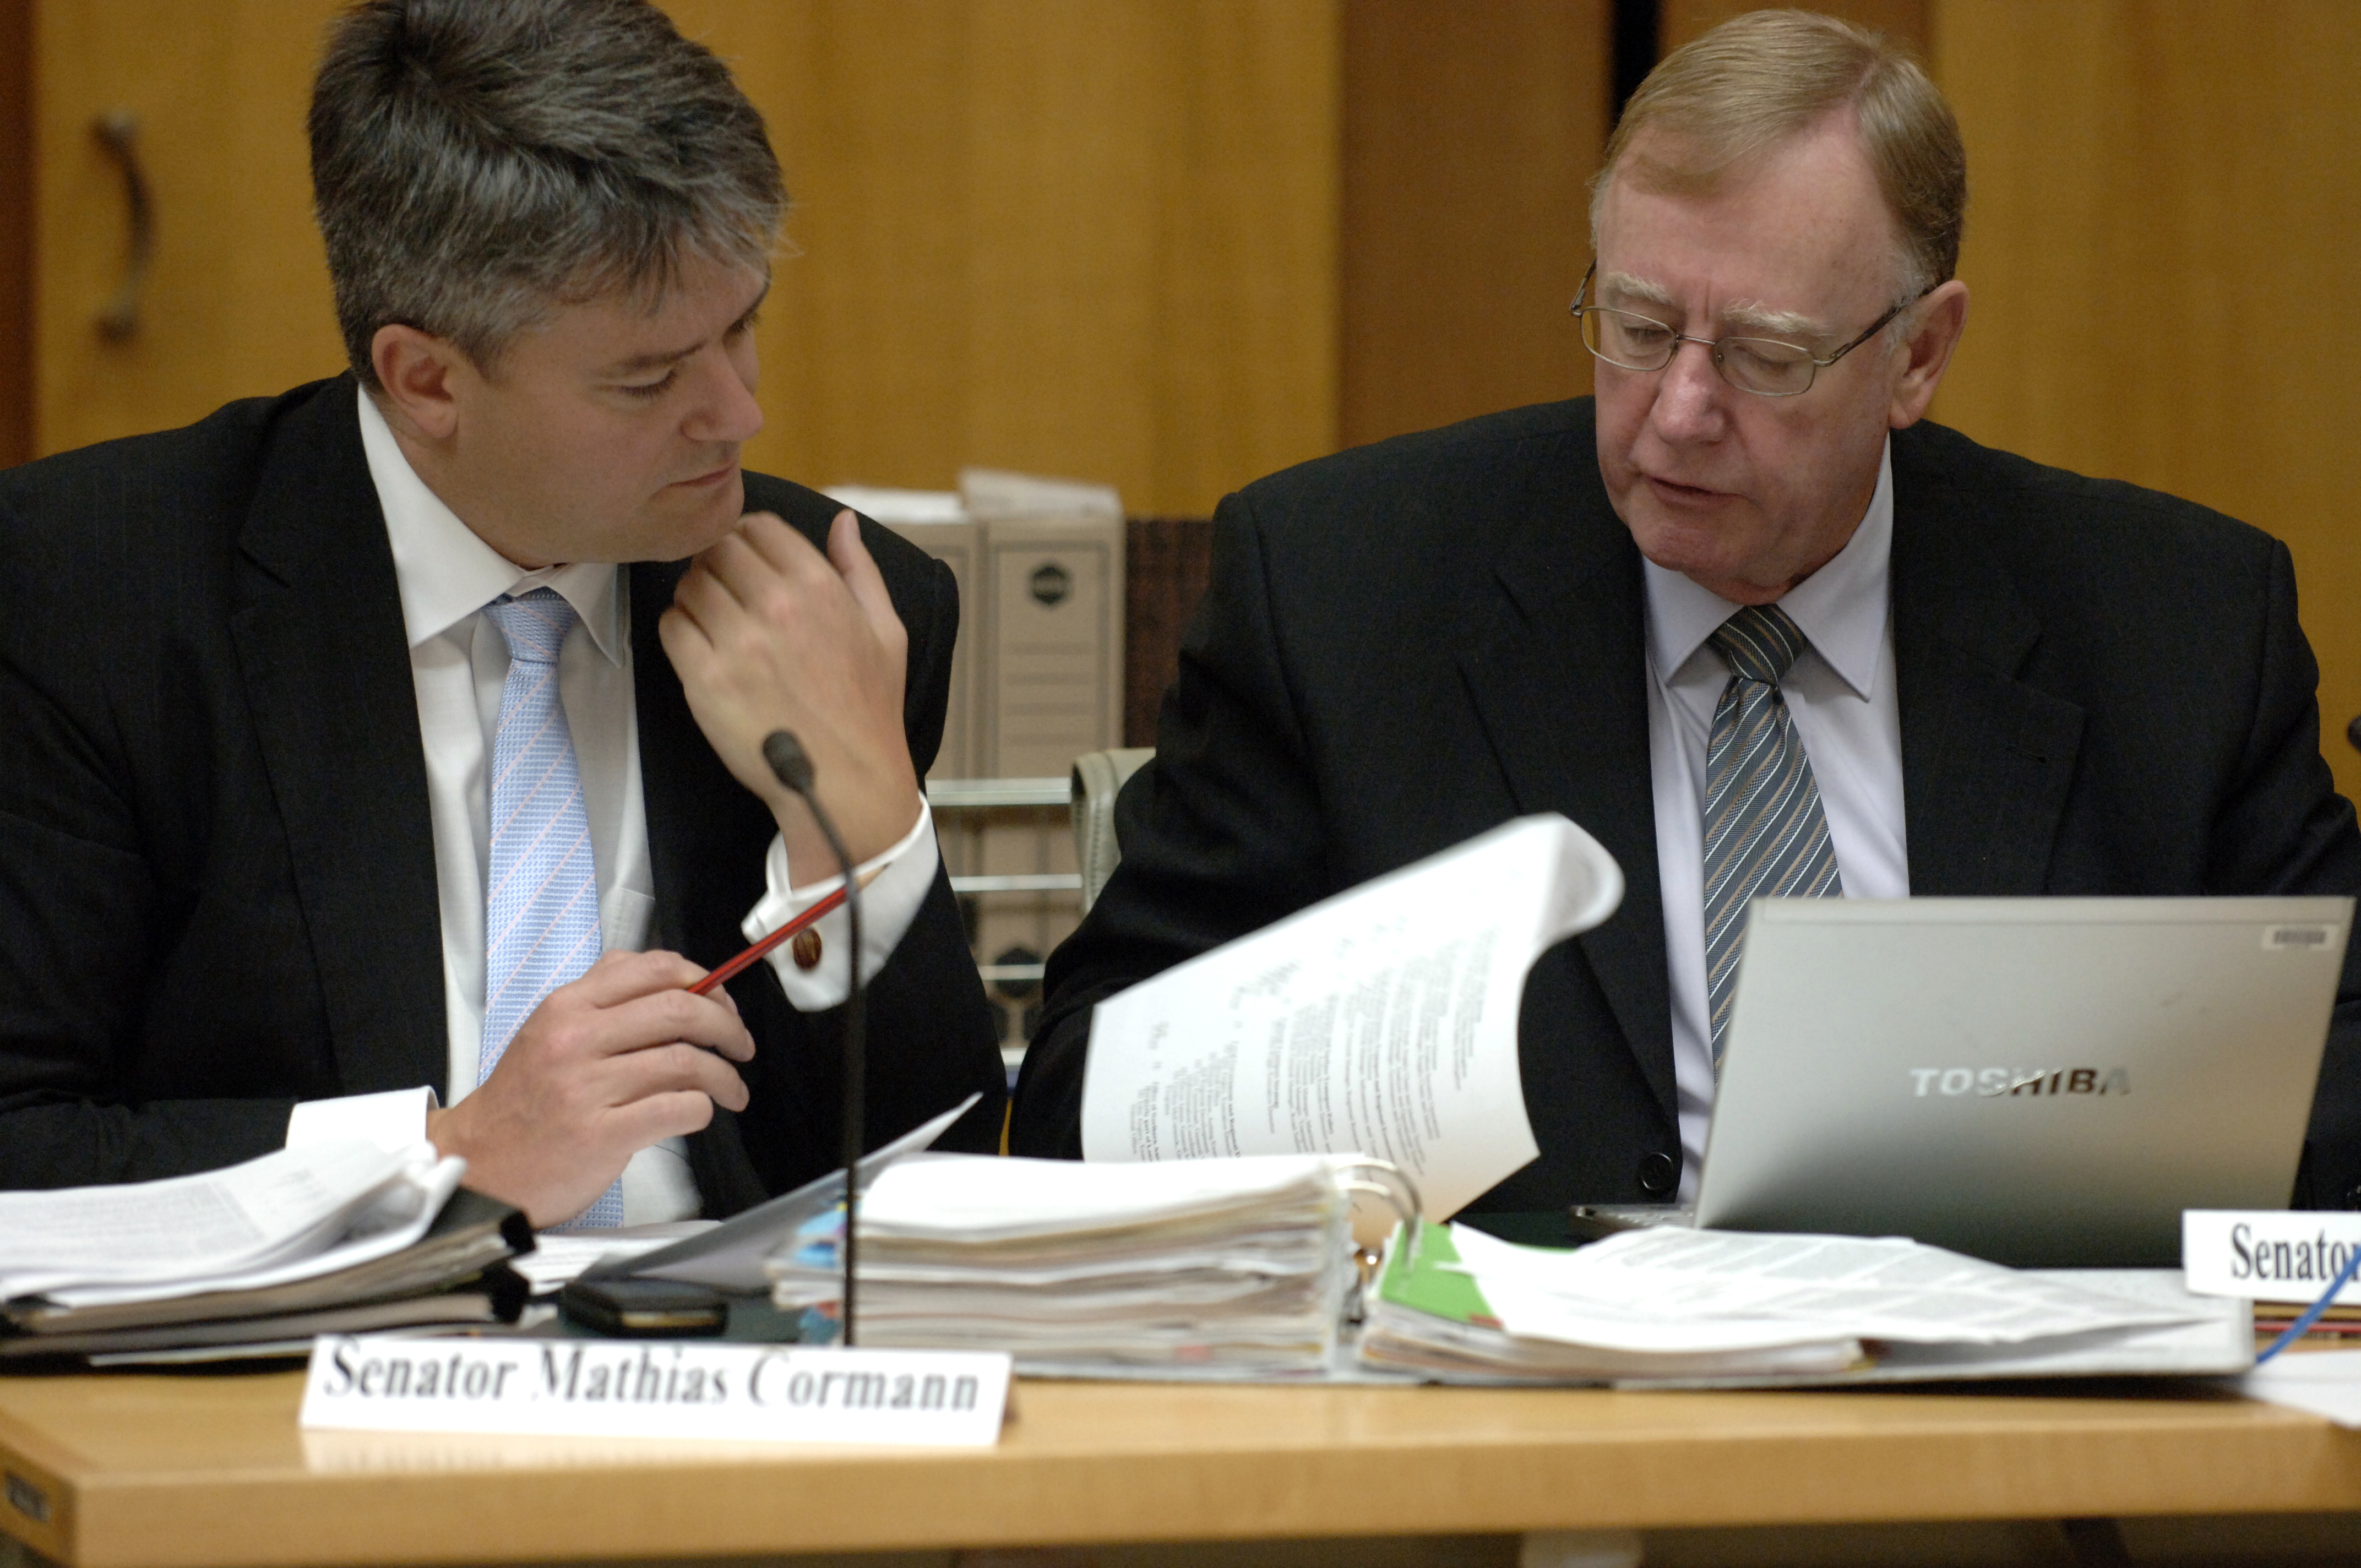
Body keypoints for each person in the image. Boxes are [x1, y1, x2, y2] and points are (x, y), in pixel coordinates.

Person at [1011, 9, 2361, 1210]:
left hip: (2022, 1381)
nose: (1677, 412)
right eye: (1639, 327)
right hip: (1517, 1385)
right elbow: (1086, 1100)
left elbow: (2333, 1088)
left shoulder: (2175, 627)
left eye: (1765, 355)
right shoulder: (1339, 593)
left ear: (1917, 353)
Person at [0, 0, 1005, 1226]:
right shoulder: (91, 593)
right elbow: (23, 1141)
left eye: (741, 326)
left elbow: (934, 1196)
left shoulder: (836, 611)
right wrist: (443, 1158)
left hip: (725, 1334)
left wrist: (858, 815)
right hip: (310, 1337)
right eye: (648, 377)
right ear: (426, 380)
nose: (738, 413)